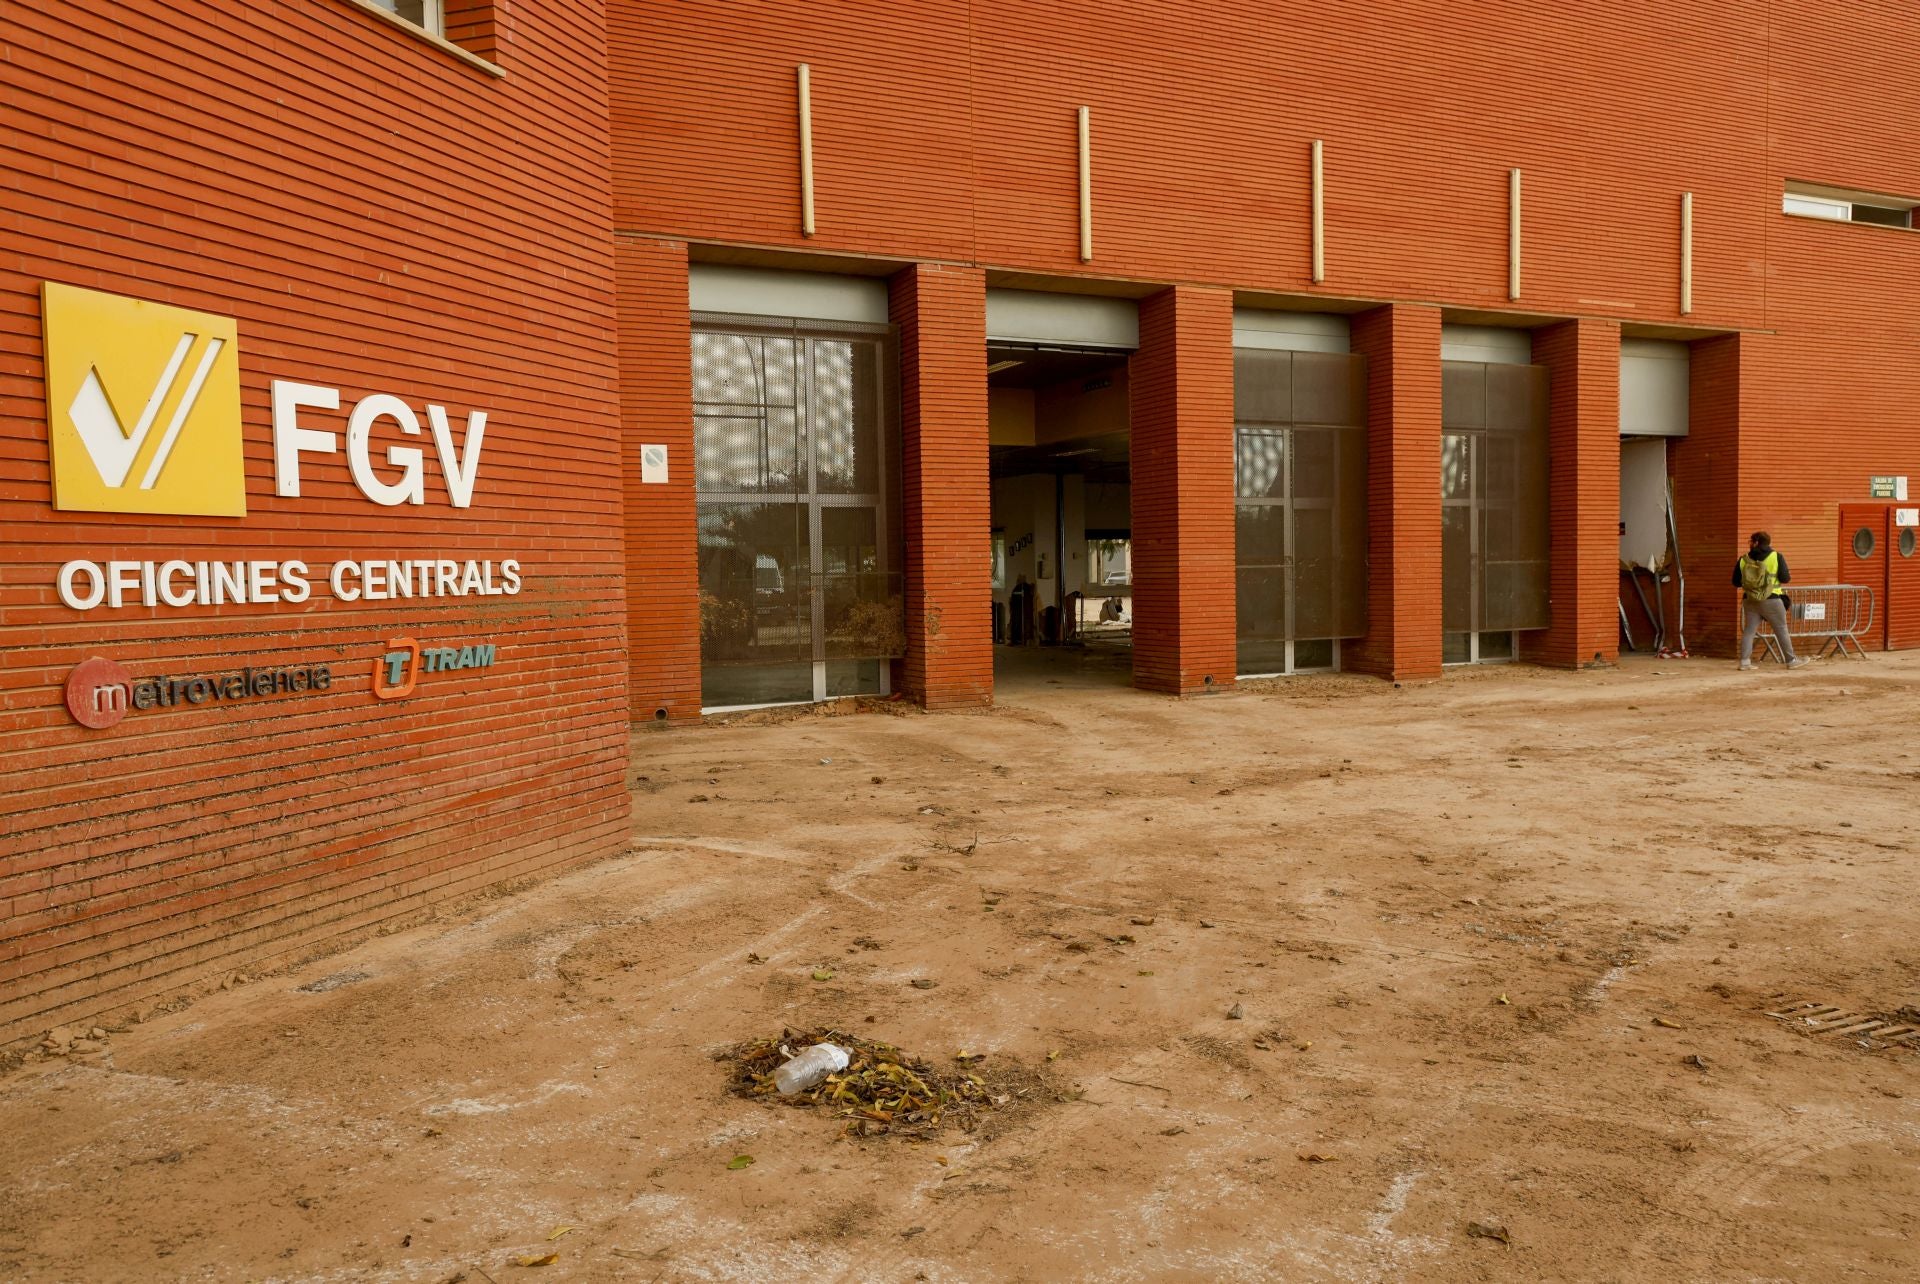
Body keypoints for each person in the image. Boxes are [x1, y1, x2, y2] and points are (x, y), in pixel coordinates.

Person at [1733, 531, 1809, 670]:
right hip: (1772, 599)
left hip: (1750, 600)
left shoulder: (1743, 559)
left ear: (1755, 542)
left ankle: (1744, 662)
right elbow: (1785, 578)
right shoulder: (1776, 556)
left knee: (1749, 630)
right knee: (1781, 629)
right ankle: (1791, 660)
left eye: (1750, 541)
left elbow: (1736, 582)